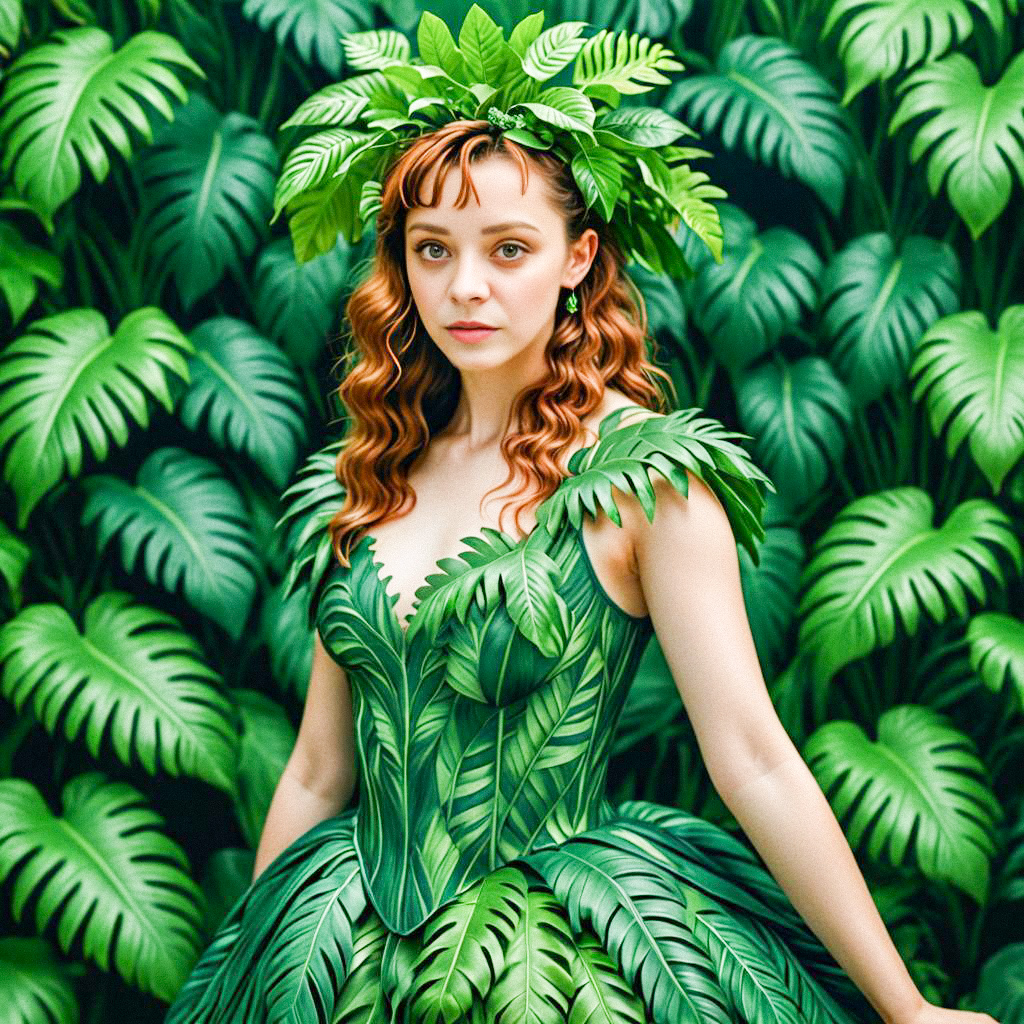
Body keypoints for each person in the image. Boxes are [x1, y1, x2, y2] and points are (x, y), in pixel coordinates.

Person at [164, 10, 1002, 1024]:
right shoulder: (375, 467)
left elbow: (752, 755)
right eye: (432, 249)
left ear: (576, 258)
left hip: (553, 975)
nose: (464, 286)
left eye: (507, 247)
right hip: (342, 961)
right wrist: (259, 977)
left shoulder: (641, 482)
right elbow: (316, 769)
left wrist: (906, 1009)